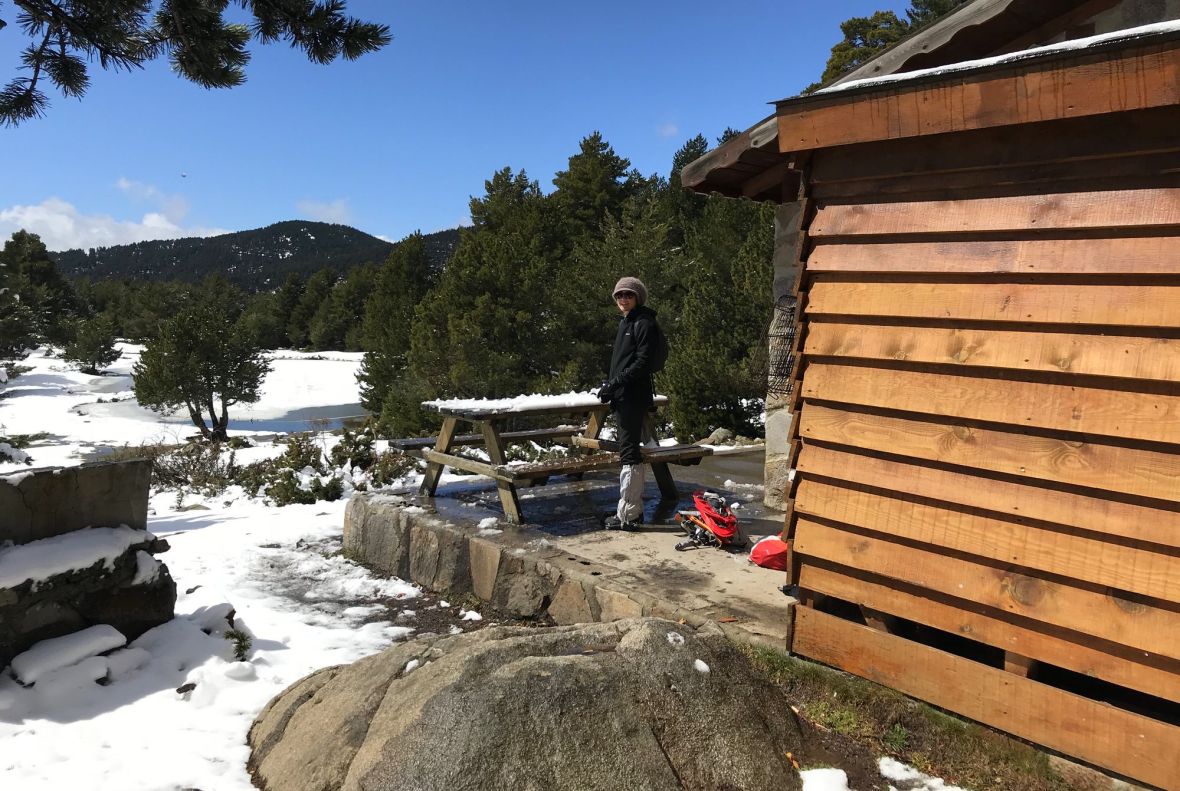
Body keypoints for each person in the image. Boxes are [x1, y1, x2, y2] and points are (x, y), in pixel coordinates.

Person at [598, 276, 662, 530]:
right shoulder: (627, 322)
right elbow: (624, 362)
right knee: (629, 450)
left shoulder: (643, 322)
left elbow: (642, 362)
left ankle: (629, 515)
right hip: (625, 394)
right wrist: (611, 385)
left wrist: (615, 383)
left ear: (638, 298)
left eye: (628, 295)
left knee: (629, 453)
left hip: (632, 396)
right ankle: (628, 509)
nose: (623, 299)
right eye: (619, 295)